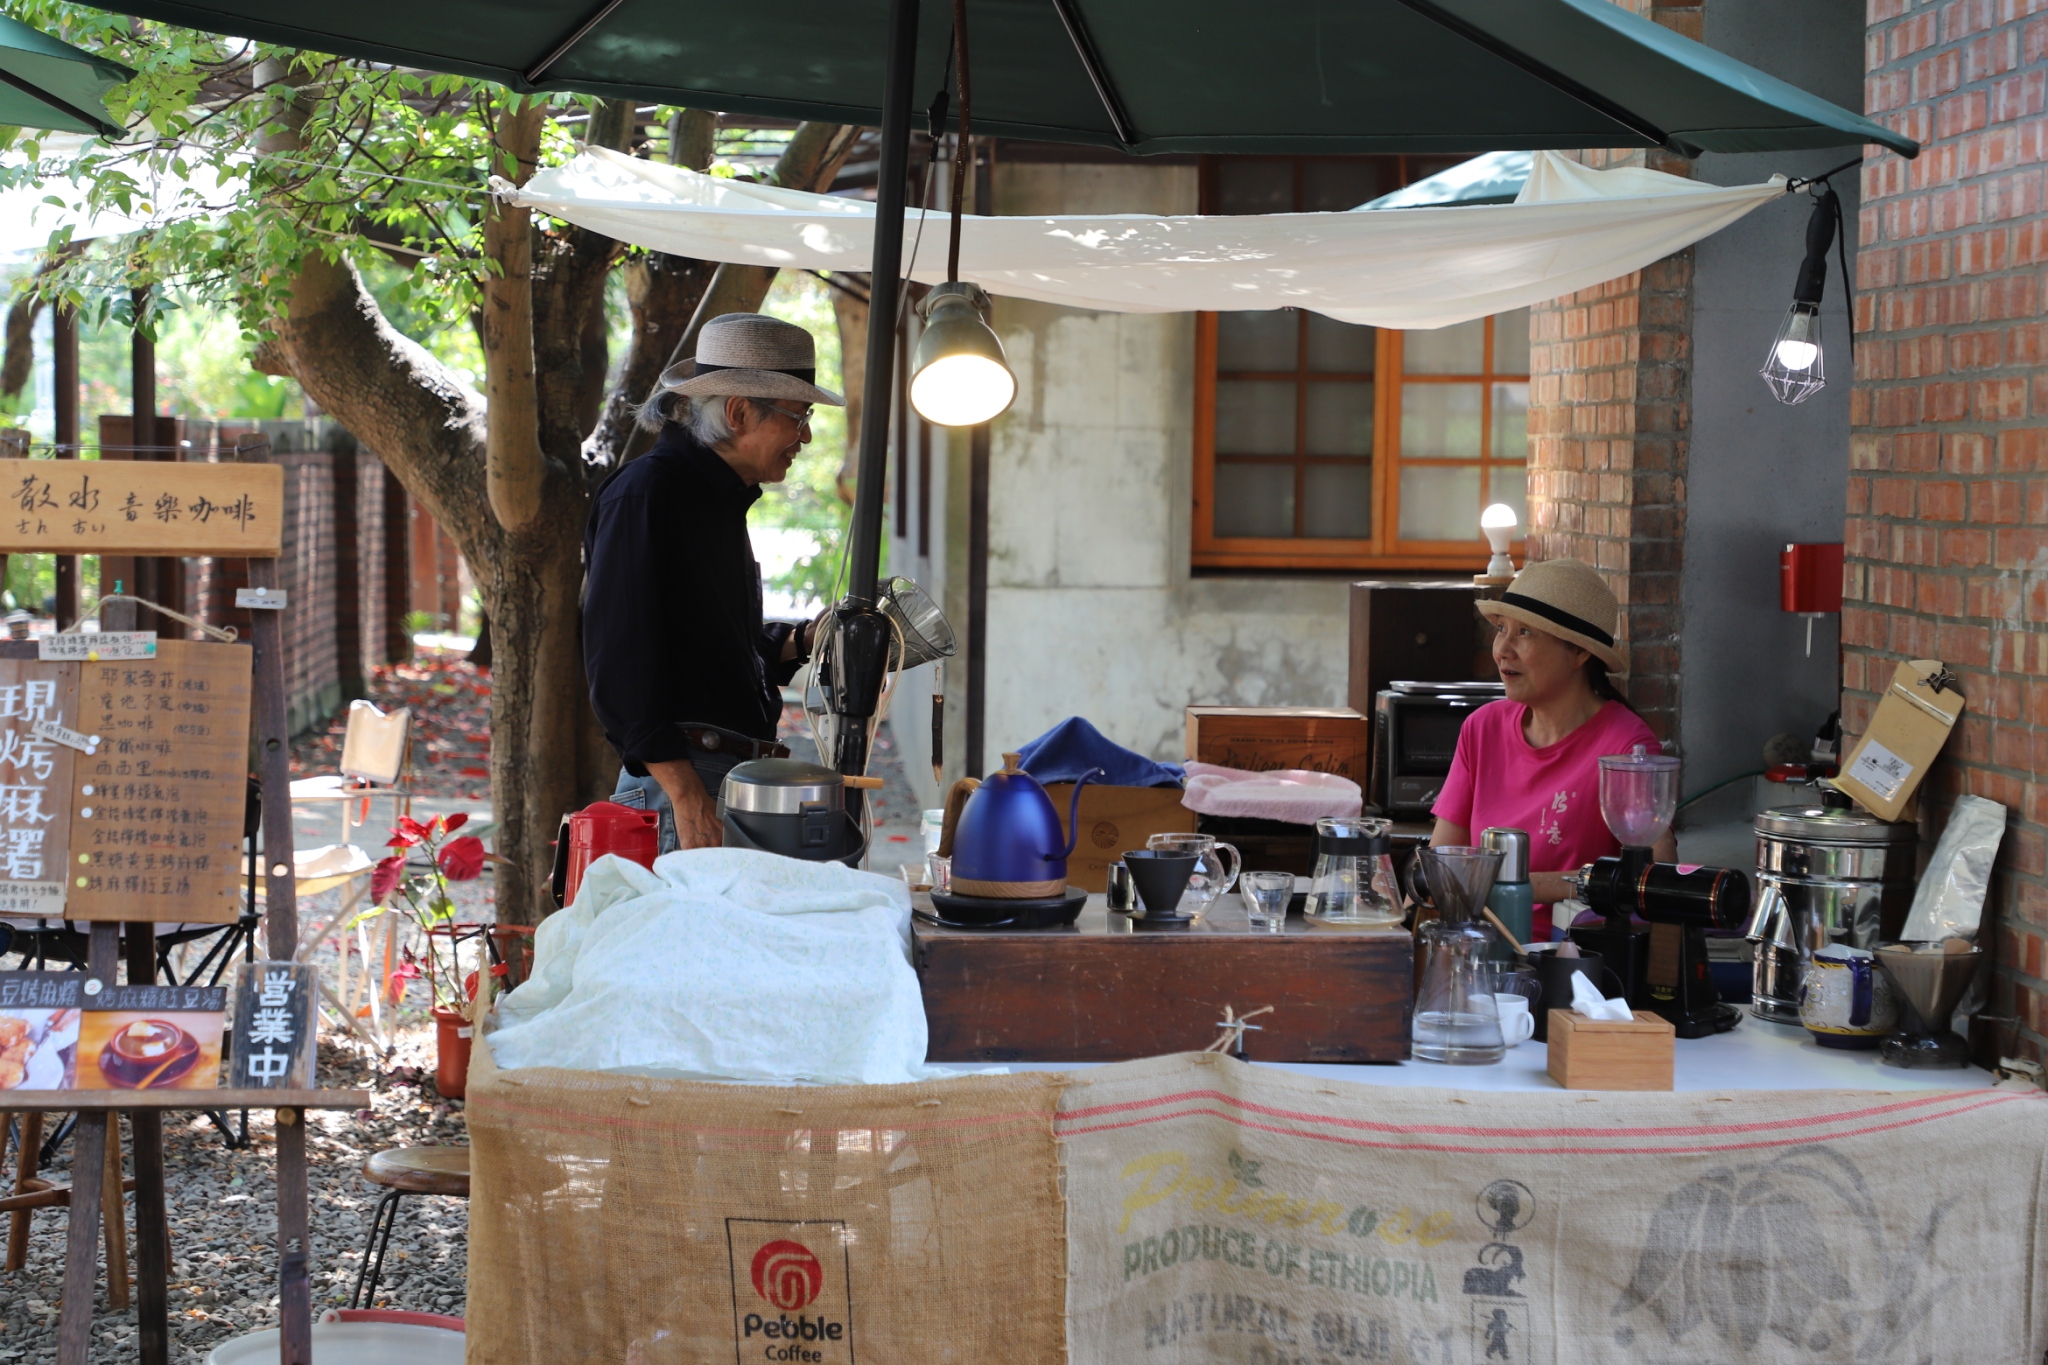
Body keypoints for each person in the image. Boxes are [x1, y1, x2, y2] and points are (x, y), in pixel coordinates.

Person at [582, 313, 843, 853]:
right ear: (739, 412)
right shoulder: (649, 494)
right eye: (799, 416)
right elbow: (620, 660)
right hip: (683, 787)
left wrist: (801, 641)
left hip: (722, 777)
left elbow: (714, 651)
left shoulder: (718, 503)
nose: (807, 435)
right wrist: (686, 795)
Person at [1429, 557, 1673, 926]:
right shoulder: (1482, 728)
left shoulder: (1627, 747)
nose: (1502, 650)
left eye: (1525, 632)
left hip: (1576, 964)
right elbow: (1442, 866)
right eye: (1501, 629)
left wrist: (1524, 885)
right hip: (1478, 950)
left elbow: (1654, 881)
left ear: (1579, 651)